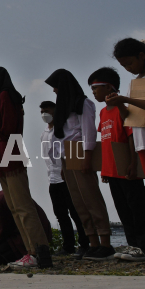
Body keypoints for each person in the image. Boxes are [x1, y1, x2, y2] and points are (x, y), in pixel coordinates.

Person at [0, 65, 52, 268]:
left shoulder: (6, 96)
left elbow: (7, 130)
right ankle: (30, 252)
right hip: (2, 156)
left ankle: (39, 252)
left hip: (11, 154)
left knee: (23, 206)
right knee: (14, 208)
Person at [45, 69, 113, 261]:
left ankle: (106, 243)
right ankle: (92, 243)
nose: (55, 91)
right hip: (68, 154)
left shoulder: (83, 103)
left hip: (81, 150)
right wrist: (61, 165)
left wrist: (87, 157)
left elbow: (88, 132)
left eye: (56, 86)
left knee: (90, 197)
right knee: (78, 201)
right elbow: (60, 136)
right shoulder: (63, 107)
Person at [87, 67, 145, 261]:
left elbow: (131, 136)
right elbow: (106, 142)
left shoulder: (123, 108)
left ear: (109, 87)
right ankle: (133, 245)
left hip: (126, 168)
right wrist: (104, 169)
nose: (94, 93)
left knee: (137, 207)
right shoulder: (102, 113)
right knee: (123, 210)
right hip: (111, 170)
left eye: (96, 88)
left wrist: (134, 164)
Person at [107, 38, 145, 260]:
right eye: (124, 66)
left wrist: (127, 98)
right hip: (143, 142)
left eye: (130, 63)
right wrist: (119, 103)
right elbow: (128, 117)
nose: (128, 69)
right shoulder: (137, 82)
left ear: (142, 55)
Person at [39, 101, 89, 257]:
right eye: (42, 111)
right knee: (61, 215)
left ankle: (85, 244)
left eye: (47, 110)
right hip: (52, 180)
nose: (44, 114)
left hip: (66, 177)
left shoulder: (61, 130)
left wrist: (65, 169)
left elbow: (66, 151)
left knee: (75, 213)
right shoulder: (44, 134)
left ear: (55, 111)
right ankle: (68, 246)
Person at [0, 191, 52, 266]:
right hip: (42, 232)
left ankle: (30, 257)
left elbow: (3, 233)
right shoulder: (2, 194)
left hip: (28, 238)